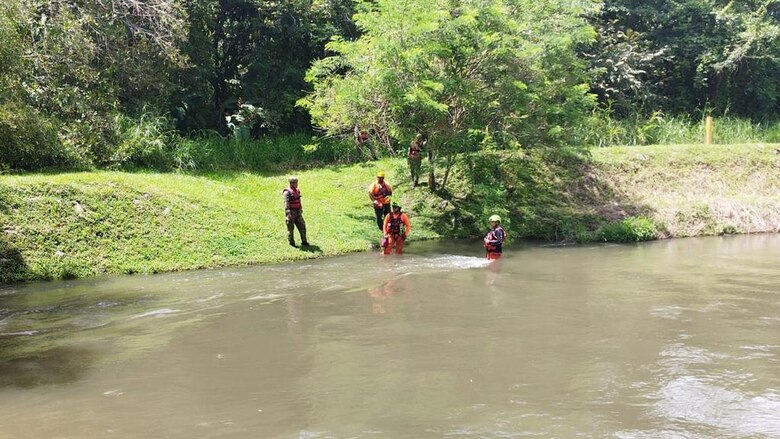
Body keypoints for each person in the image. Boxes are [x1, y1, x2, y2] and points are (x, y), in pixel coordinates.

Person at [282, 176, 308, 247]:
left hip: (298, 212)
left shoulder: (297, 190)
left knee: (302, 226)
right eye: (296, 183)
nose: (297, 184)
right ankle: (292, 243)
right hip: (291, 213)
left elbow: (299, 200)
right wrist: (288, 213)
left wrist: (300, 208)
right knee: (290, 228)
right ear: (292, 183)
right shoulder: (287, 192)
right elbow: (286, 203)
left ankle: (304, 242)